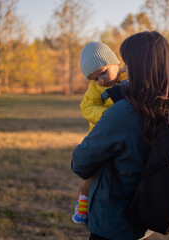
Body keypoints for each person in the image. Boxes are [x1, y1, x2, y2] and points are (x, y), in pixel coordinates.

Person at [71, 31, 169, 240]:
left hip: (113, 224)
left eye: (127, 63)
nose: (125, 68)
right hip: (146, 219)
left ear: (140, 67)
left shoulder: (123, 113)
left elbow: (79, 163)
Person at [72, 41, 127, 224]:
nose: (101, 80)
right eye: (95, 78)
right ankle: (83, 203)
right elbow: (86, 107)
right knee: (93, 174)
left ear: (115, 62)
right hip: (101, 135)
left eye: (102, 72)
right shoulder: (95, 89)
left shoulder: (129, 76)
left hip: (124, 136)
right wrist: (105, 115)